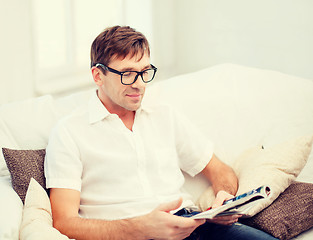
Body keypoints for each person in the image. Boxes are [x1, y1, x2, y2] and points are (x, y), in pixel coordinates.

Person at [44, 25, 277, 240]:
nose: (140, 84)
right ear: (98, 76)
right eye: (128, 74)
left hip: (194, 225)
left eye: (145, 71)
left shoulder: (165, 115)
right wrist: (139, 227)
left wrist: (224, 199)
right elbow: (64, 222)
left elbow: (219, 169)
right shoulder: (69, 132)